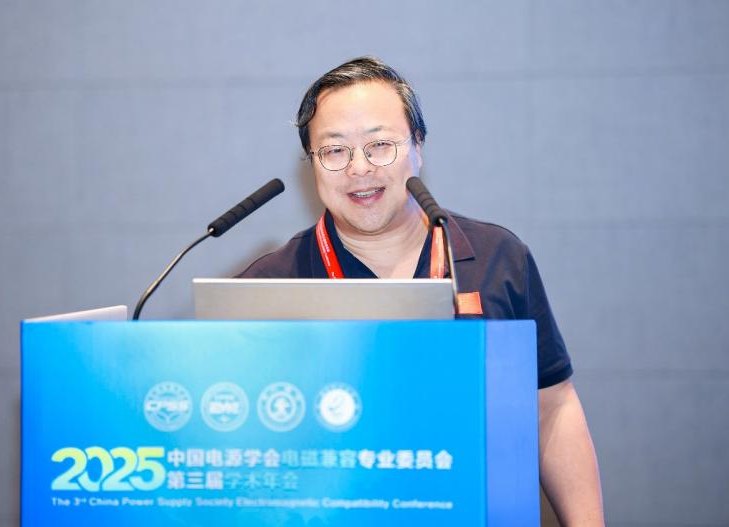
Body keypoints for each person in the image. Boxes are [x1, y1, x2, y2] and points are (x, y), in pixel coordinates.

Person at [239, 56, 604, 525]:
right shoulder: (269, 284)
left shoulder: (496, 257)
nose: (359, 168)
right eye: (334, 150)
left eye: (380, 145)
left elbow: (551, 406)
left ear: (418, 146)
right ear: (312, 162)